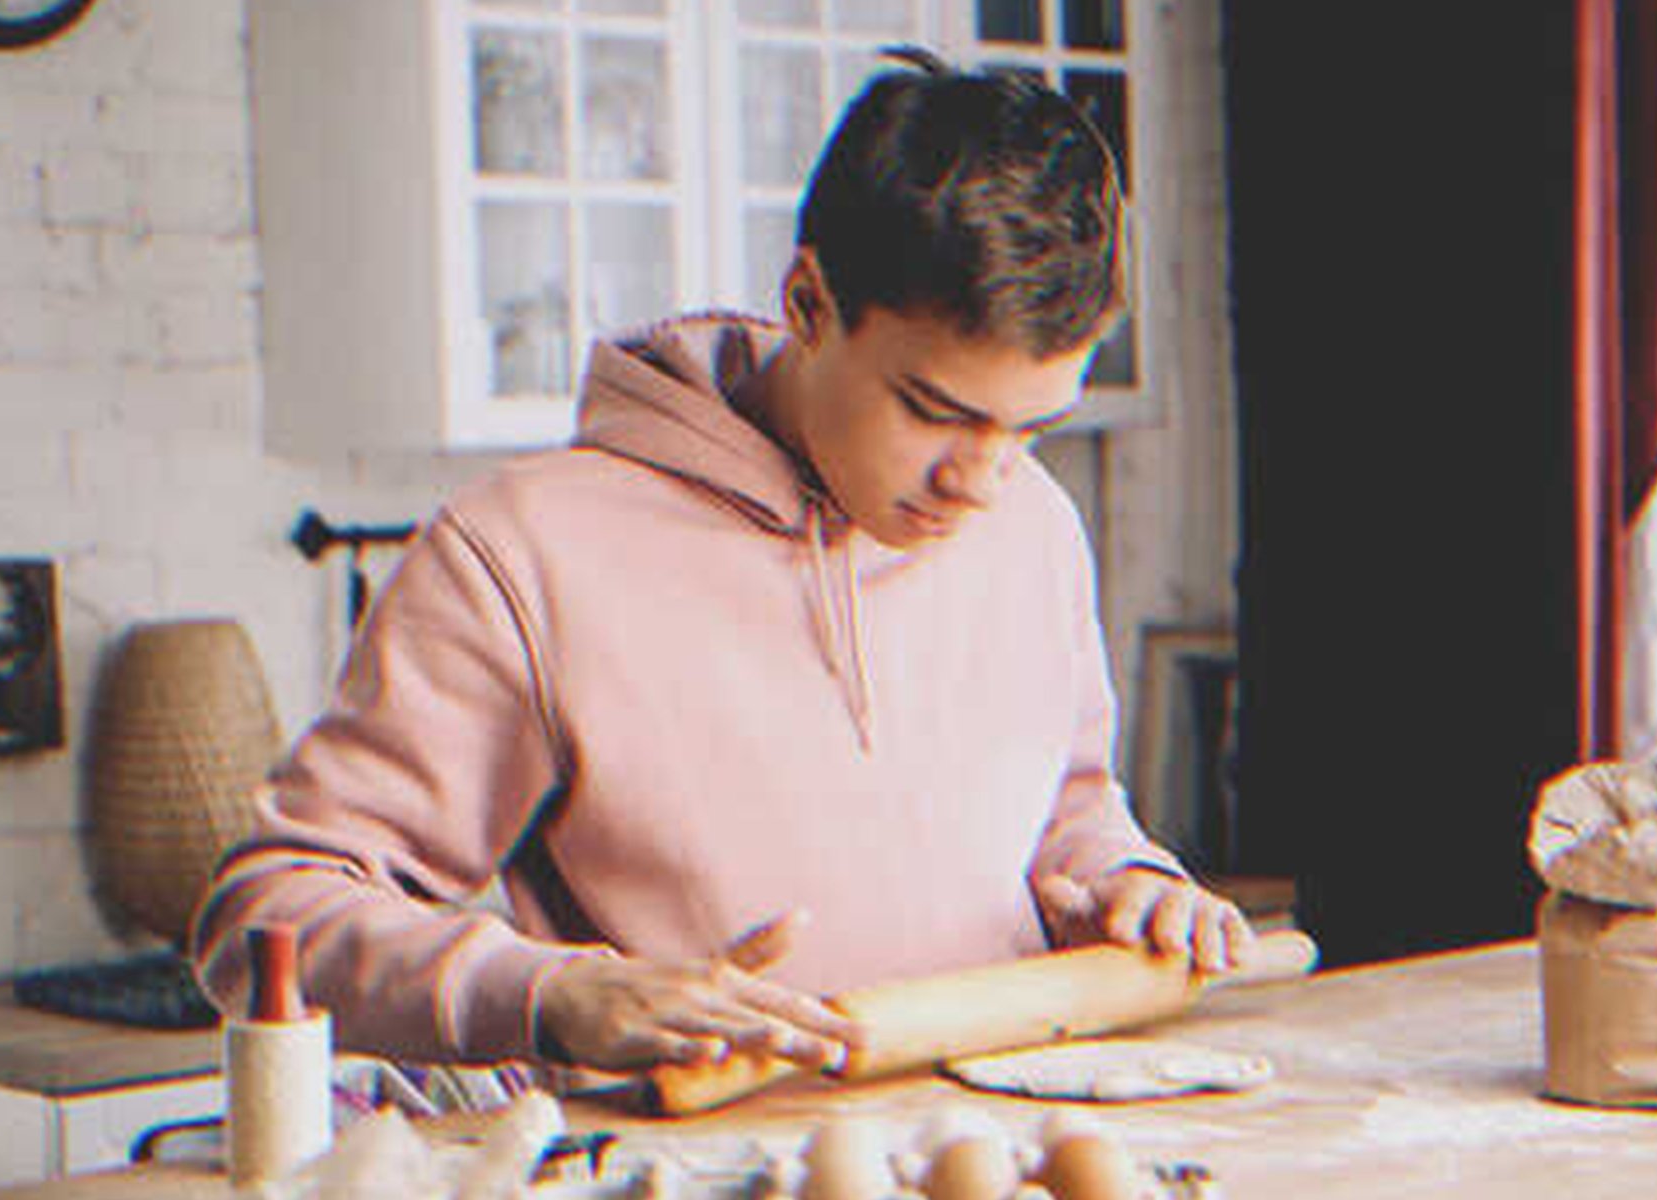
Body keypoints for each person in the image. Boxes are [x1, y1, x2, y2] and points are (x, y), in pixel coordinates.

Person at [191, 48, 1257, 1084]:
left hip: (1009, 1146)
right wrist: (552, 995)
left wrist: (1129, 879)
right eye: (935, 412)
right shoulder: (520, 555)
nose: (979, 482)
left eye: (1031, 428)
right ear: (806, 302)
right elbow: (268, 912)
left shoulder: (1031, 521)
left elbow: (1065, 805)